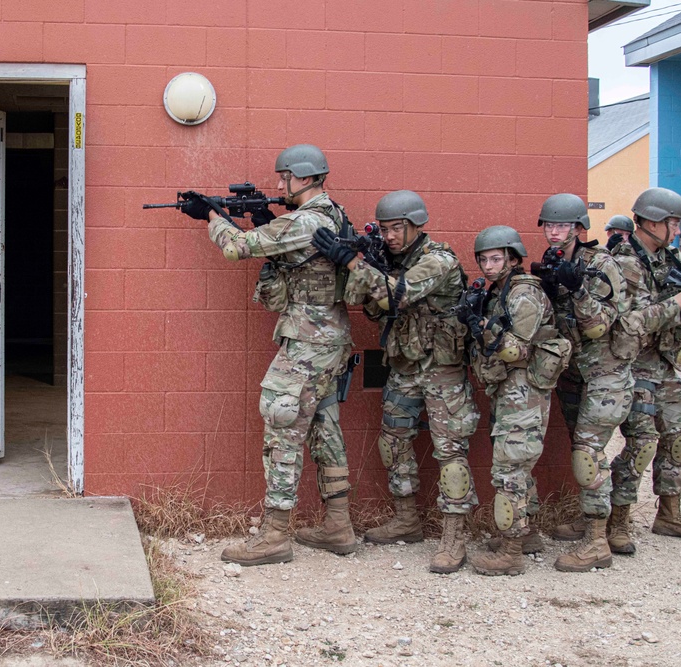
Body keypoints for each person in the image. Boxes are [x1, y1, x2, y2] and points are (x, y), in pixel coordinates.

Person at [179, 144, 355, 566]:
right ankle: (338, 524)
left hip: (310, 343)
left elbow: (237, 247)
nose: (279, 184)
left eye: (285, 178)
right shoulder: (332, 215)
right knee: (323, 427)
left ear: (307, 178)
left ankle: (274, 535)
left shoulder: (308, 219)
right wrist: (266, 220)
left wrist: (212, 217)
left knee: (282, 421)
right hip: (329, 340)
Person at [312, 190, 479, 574]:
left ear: (416, 225)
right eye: (384, 229)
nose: (388, 235)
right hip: (405, 366)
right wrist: (365, 265)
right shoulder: (392, 261)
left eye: (396, 228)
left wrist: (354, 262)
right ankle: (408, 518)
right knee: (392, 441)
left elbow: (398, 294)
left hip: (442, 370)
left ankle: (455, 538)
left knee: (450, 453)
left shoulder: (438, 260)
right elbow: (375, 310)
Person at [606, 187, 681, 555]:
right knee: (640, 444)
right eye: (674, 223)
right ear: (652, 222)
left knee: (678, 437)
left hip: (666, 364)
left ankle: (670, 514)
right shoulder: (622, 264)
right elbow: (629, 323)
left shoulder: (672, 260)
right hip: (634, 365)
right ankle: (618, 521)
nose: (678, 231)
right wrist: (680, 302)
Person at [533, 194, 632, 573]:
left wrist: (577, 291)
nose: (554, 232)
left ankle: (596, 543)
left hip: (606, 373)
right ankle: (594, 521)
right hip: (573, 373)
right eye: (548, 225)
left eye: (562, 226)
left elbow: (598, 326)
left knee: (587, 454)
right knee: (582, 449)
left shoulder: (602, 265)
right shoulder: (556, 262)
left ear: (578, 228)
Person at [464, 226, 570, 576]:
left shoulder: (523, 292)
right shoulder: (501, 290)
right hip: (511, 389)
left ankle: (511, 553)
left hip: (523, 389)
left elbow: (514, 347)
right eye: (484, 259)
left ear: (512, 258)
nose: (489, 266)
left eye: (496, 259)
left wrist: (480, 326)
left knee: (509, 469)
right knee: (518, 464)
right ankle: (527, 536)